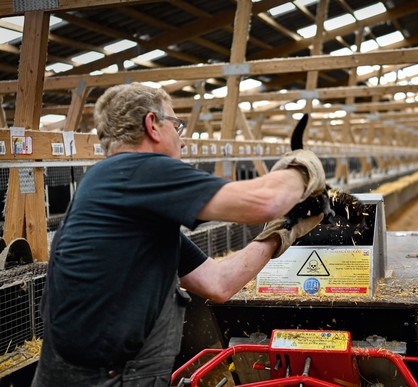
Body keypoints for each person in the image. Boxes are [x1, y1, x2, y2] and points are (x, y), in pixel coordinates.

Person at [32, 83, 326, 386]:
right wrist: (303, 168)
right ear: (152, 125)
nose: (182, 142)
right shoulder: (137, 170)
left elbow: (219, 283)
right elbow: (264, 201)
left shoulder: (132, 203)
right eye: (177, 125)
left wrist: (282, 231)